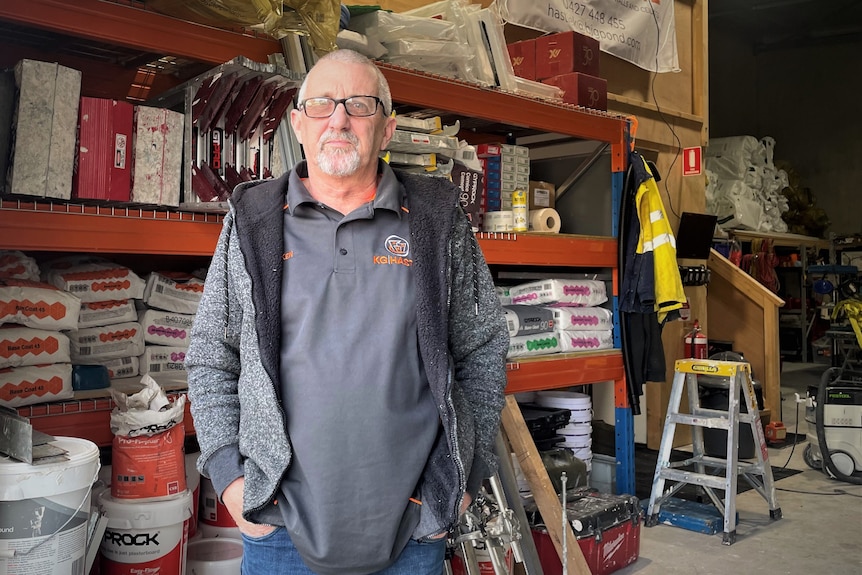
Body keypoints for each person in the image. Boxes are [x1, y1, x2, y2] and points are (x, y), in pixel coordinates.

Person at [185, 48, 509, 575]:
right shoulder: (253, 220)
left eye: (359, 105)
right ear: (297, 125)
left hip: (412, 530)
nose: (339, 119)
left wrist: (462, 480)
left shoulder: (435, 220)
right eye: (321, 105)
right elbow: (211, 353)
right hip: (279, 529)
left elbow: (483, 345)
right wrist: (230, 477)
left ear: (386, 129)